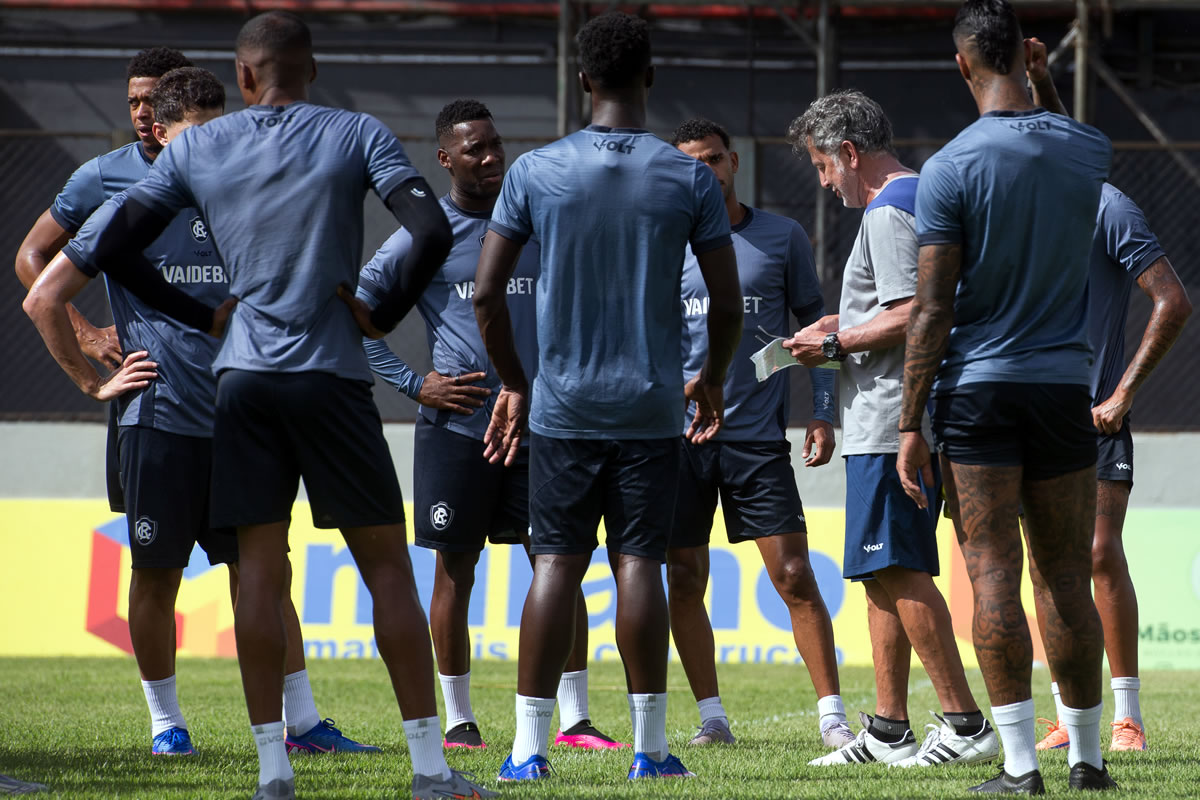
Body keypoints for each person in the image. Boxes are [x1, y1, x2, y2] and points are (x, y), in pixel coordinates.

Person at [75, 12, 494, 800]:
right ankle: (431, 770)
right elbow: (432, 229)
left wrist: (205, 316)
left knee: (258, 579)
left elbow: (113, 247)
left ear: (242, 77)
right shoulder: (355, 132)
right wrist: (382, 313)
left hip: (241, 384)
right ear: (313, 68)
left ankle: (274, 772)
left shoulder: (196, 146)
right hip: (331, 377)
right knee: (387, 571)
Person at [23, 66, 379, 761]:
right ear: (162, 132)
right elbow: (41, 290)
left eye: (223, 128)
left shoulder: (245, 195)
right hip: (160, 420)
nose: (216, 143)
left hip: (244, 418)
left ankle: (303, 723)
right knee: (156, 575)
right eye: (200, 131)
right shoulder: (125, 205)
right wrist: (93, 375)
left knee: (265, 573)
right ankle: (167, 724)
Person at [473, 11, 743, 782]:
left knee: (555, 566)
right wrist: (712, 376)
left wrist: (515, 381)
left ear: (583, 79)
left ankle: (528, 751)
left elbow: (486, 294)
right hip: (651, 407)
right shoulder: (689, 177)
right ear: (650, 77)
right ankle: (650, 752)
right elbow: (726, 305)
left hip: (562, 406)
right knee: (639, 566)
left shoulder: (536, 170)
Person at [358, 98, 624, 751]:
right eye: (474, 149)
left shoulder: (540, 224)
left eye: (495, 144)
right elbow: (354, 322)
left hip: (544, 430)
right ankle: (458, 720)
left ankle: (575, 720)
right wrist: (415, 384)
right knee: (455, 571)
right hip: (457, 432)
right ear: (444, 159)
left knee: (559, 564)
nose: (491, 157)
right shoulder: (425, 236)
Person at [897, 0, 1116, 792]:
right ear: (1027, 57)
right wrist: (1044, 81)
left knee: (991, 572)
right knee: (1066, 576)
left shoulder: (949, 166)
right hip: (1063, 388)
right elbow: (1062, 138)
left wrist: (910, 423)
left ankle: (1022, 766)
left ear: (962, 64)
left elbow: (931, 310)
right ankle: (1088, 760)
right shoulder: (1087, 146)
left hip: (979, 391)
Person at [783, 90, 999, 769]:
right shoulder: (921, 193)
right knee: (881, 572)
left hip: (891, 418)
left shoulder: (887, 209)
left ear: (849, 153)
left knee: (895, 568)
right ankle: (889, 730)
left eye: (823, 166)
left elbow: (914, 314)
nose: (825, 182)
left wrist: (834, 343)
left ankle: (965, 724)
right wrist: (841, 326)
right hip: (894, 414)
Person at [1022, 39, 1192, 755]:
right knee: (1044, 566)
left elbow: (1173, 301)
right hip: (1032, 413)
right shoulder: (1026, 207)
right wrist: (1040, 79)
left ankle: (1127, 718)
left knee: (1096, 553)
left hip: (1096, 416)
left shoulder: (1109, 206)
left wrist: (1122, 394)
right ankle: (1071, 712)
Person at [666, 117, 851, 750]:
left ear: (734, 162)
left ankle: (832, 718)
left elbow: (818, 329)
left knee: (794, 574)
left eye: (714, 159)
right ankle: (712, 718)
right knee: (684, 579)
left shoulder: (781, 236)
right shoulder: (662, 243)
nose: (705, 171)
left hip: (756, 441)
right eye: (691, 163)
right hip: (679, 443)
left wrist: (822, 411)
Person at [15, 46, 192, 526]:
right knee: (156, 554)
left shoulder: (224, 173)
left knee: (245, 549)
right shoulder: (103, 177)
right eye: (133, 101)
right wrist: (88, 336)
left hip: (221, 385)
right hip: (150, 389)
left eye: (152, 100)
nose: (141, 112)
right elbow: (31, 257)